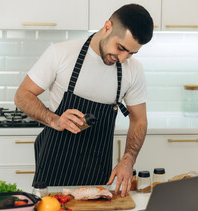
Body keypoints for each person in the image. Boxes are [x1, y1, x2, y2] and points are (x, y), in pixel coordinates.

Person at [14, 4, 153, 197]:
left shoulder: (133, 70)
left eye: (131, 53)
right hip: (54, 167)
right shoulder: (61, 54)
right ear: (107, 27)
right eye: (120, 48)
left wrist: (128, 159)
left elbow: (139, 119)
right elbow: (22, 95)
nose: (122, 59)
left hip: (97, 173)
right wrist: (54, 119)